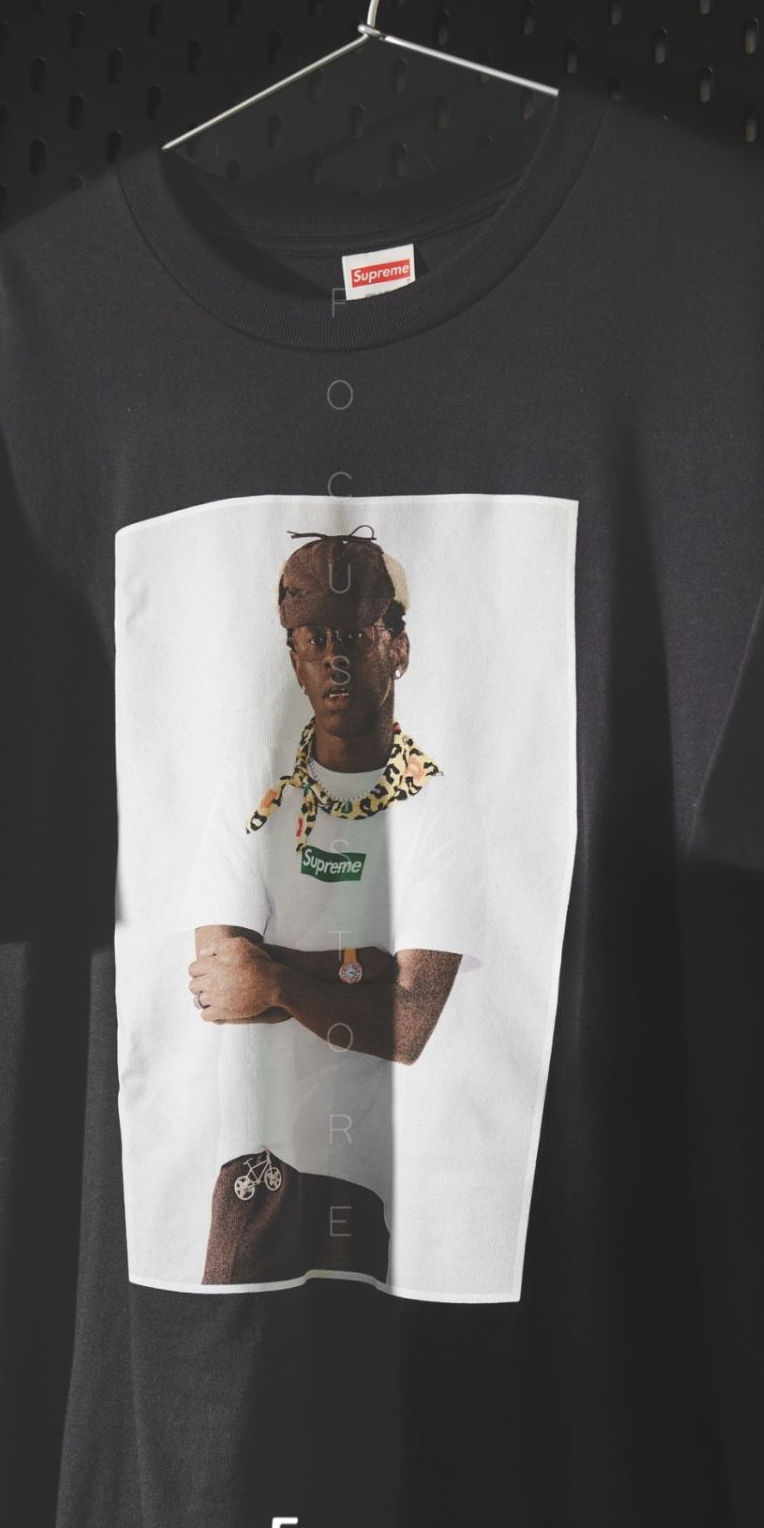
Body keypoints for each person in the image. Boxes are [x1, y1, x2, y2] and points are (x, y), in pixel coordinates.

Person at [184, 526, 486, 1288]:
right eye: (312, 638)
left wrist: (276, 979)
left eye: (353, 634)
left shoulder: (438, 808)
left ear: (398, 648)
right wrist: (369, 969)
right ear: (293, 659)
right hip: (259, 1158)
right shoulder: (254, 790)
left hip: (388, 1170)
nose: (333, 658)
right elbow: (219, 985)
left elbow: (409, 1026)